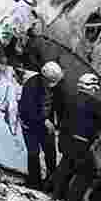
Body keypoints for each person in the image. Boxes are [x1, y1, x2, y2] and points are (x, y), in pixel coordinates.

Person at [52, 73, 101, 201]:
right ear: (91, 88)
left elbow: (62, 117)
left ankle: (56, 193)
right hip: (81, 143)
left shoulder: (71, 99)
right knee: (87, 172)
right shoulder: (94, 103)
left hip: (66, 139)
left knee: (66, 165)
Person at [18, 61, 64, 191]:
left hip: (45, 125)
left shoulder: (56, 87)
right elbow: (28, 108)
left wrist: (58, 123)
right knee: (33, 152)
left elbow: (60, 105)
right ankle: (34, 182)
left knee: (50, 153)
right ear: (43, 77)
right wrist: (44, 120)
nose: (51, 85)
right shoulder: (31, 85)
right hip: (30, 124)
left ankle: (51, 182)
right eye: (49, 81)